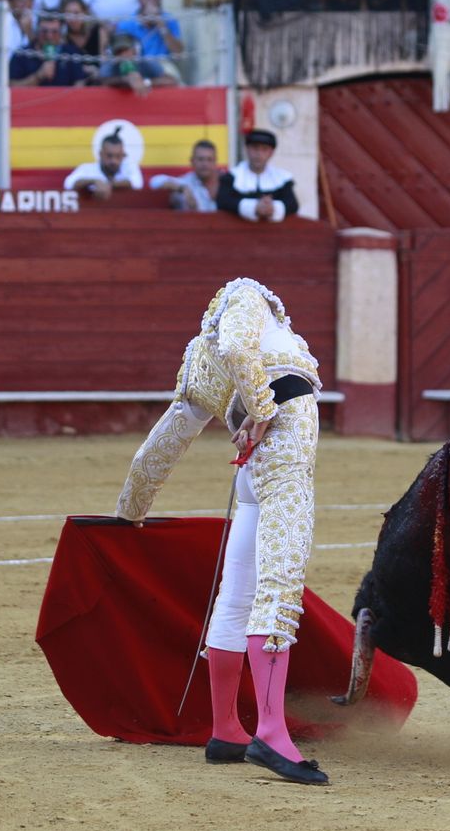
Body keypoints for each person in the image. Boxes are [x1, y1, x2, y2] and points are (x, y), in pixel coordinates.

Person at [114, 277, 328, 785]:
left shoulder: (199, 358)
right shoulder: (246, 296)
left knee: (236, 597)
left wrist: (130, 510)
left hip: (250, 467)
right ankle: (272, 733)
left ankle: (227, 728)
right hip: (285, 443)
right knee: (277, 585)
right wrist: (261, 411)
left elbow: (167, 438)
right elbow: (239, 347)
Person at [219, 128, 298, 222]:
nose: (259, 154)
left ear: (271, 153)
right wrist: (254, 207)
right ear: (247, 149)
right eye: (255, 148)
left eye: (264, 149)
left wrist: (273, 207)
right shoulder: (232, 176)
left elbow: (292, 204)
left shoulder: (282, 179)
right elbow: (223, 202)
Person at [115, 0, 185, 67]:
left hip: (163, 65)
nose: (152, 2)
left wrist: (161, 25)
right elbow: (120, 57)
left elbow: (178, 53)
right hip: (136, 66)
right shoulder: (127, 23)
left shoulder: (169, 20)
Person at [64, 130, 143, 198]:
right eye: (109, 156)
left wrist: (108, 184)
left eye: (118, 156)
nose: (113, 161)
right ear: (101, 154)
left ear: (123, 155)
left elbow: (137, 183)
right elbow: (68, 183)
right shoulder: (87, 168)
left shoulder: (129, 167)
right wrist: (94, 182)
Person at [150, 139, 223, 212]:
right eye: (201, 159)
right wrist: (183, 189)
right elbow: (155, 182)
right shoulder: (187, 182)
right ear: (192, 161)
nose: (205, 164)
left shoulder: (226, 181)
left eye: (209, 159)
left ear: (215, 161)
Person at [96, 33, 176, 96]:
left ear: (136, 50)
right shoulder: (110, 66)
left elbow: (170, 81)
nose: (123, 54)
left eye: (126, 50)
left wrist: (145, 82)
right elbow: (102, 82)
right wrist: (126, 80)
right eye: (118, 52)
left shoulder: (146, 63)